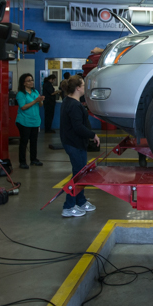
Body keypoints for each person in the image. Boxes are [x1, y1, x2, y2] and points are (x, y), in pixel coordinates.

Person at [59, 74, 99, 218]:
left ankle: (80, 201)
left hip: (73, 143)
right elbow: (78, 127)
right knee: (78, 175)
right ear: (77, 88)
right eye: (83, 85)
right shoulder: (74, 105)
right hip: (74, 144)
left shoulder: (68, 101)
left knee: (80, 173)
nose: (84, 88)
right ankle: (68, 206)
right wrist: (92, 135)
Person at [15, 73, 44, 169]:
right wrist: (35, 101)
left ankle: (33, 159)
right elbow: (23, 107)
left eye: (32, 80)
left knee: (34, 141)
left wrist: (40, 100)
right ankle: (22, 161)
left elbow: (40, 105)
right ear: (24, 83)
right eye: (29, 80)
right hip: (24, 121)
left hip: (35, 121)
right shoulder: (21, 94)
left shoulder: (35, 91)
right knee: (24, 142)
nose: (31, 82)